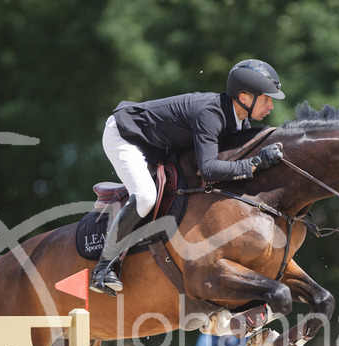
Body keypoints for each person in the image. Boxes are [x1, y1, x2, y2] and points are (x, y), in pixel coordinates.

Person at [90, 58, 288, 296]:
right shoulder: (211, 114)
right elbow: (209, 170)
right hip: (126, 135)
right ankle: (103, 267)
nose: (271, 106)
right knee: (145, 197)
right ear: (244, 98)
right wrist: (255, 164)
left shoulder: (239, 119)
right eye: (267, 99)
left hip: (158, 145)